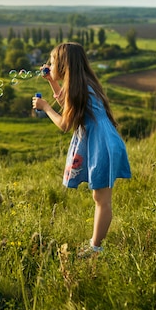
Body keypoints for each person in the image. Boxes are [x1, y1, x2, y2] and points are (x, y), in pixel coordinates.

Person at [32, 42, 131, 257]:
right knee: (100, 198)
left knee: (102, 200)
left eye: (52, 62)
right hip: (103, 140)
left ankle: (96, 248)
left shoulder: (79, 88)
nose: (49, 65)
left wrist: (45, 107)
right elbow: (67, 102)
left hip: (101, 144)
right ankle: (96, 245)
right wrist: (51, 81)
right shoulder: (84, 84)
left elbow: (65, 124)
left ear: (63, 65)